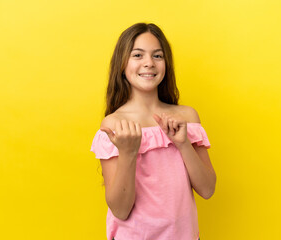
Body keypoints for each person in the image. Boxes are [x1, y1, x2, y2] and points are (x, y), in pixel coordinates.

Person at [90, 22, 216, 240]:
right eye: (137, 55)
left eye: (157, 56)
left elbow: (207, 190)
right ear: (122, 64)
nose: (149, 63)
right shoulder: (114, 126)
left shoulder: (186, 117)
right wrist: (129, 153)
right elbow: (120, 210)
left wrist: (183, 144)